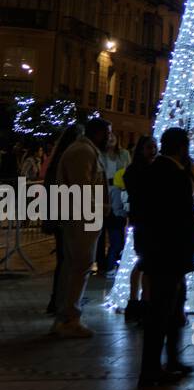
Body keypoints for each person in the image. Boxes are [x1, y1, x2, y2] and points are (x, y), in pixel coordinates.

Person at [132, 127, 194, 386]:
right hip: (171, 253)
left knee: (170, 307)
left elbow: (139, 213)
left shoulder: (149, 172)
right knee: (164, 311)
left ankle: (169, 361)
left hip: (152, 250)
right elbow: (188, 218)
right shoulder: (177, 176)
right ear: (181, 148)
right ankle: (153, 368)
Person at [50, 117, 110, 338]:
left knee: (76, 266)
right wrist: (104, 207)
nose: (110, 139)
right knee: (79, 266)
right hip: (81, 218)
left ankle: (67, 315)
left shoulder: (87, 150)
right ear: (98, 133)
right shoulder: (82, 152)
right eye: (108, 133)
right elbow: (80, 190)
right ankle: (69, 318)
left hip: (83, 217)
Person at [42, 125, 83, 318]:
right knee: (68, 259)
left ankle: (58, 298)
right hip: (66, 217)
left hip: (61, 216)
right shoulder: (70, 159)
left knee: (64, 259)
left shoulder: (58, 160)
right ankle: (61, 300)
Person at [121, 135, 157, 325]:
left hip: (144, 222)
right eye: (150, 147)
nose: (153, 151)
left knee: (144, 264)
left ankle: (136, 302)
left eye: (155, 147)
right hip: (145, 223)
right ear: (141, 150)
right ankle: (142, 303)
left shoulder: (140, 170)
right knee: (146, 264)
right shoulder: (138, 171)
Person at [96, 130, 131, 274]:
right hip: (101, 194)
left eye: (113, 136)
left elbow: (128, 173)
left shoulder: (124, 155)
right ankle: (102, 263)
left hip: (118, 194)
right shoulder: (99, 154)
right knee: (100, 232)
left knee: (117, 230)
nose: (111, 139)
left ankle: (113, 261)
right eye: (108, 136)